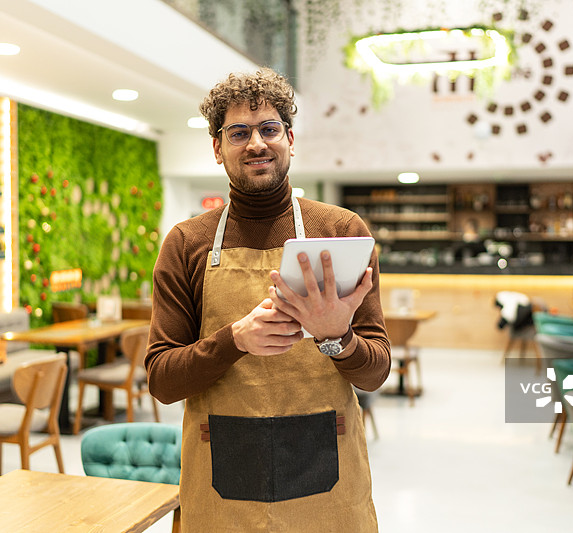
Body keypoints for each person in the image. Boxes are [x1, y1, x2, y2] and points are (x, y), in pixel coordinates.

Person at [145, 68, 391, 532]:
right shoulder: (186, 243)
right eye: (238, 132)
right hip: (222, 473)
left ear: (290, 139)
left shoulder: (340, 232)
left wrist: (337, 336)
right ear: (218, 149)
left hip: (327, 472)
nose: (256, 142)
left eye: (269, 129)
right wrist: (235, 339)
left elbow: (377, 372)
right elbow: (162, 380)